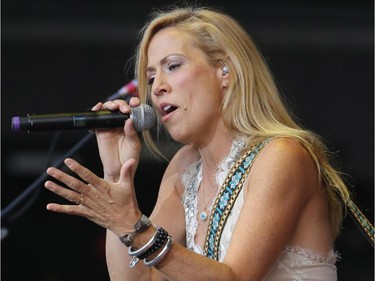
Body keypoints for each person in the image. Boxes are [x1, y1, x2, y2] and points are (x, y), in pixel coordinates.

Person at [44, 4, 351, 281]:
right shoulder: (184, 167)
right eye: (151, 77)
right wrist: (116, 181)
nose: (158, 87)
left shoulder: (281, 155)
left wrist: (135, 227)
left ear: (225, 71)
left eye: (173, 66)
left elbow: (235, 279)